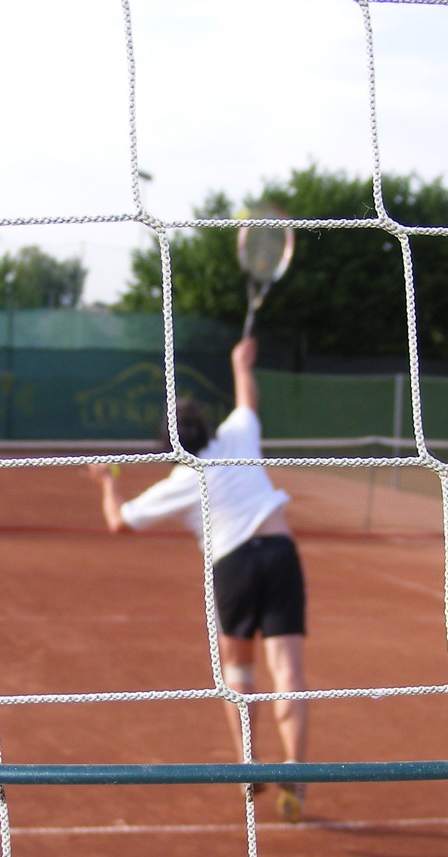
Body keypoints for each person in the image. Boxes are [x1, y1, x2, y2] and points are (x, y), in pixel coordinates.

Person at [88, 335, 309, 821]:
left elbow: (119, 522)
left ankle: (248, 764)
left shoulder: (180, 482)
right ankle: (295, 769)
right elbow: (248, 399)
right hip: (279, 553)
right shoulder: (238, 435)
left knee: (239, 669)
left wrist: (106, 483)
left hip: (233, 566)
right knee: (288, 670)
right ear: (206, 426)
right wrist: (240, 363)